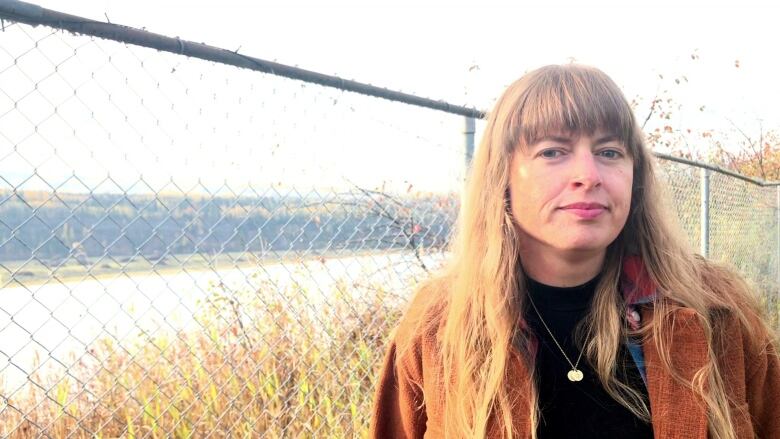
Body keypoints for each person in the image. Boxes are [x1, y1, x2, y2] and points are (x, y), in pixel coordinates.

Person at [369, 64, 780, 438]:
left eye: (609, 152)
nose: (588, 175)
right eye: (552, 152)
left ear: (634, 176)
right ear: (503, 176)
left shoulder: (716, 310)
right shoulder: (440, 326)